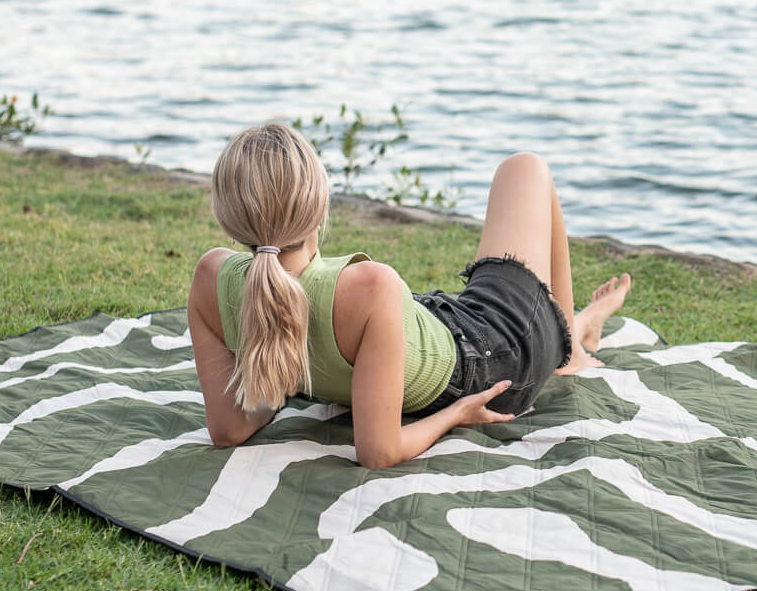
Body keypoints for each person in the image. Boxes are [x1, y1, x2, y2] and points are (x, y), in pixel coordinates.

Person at [188, 123, 632, 468]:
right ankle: (569, 347)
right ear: (320, 205)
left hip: (440, 332)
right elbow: (377, 453)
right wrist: (455, 416)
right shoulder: (368, 287)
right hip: (497, 359)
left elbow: (230, 429)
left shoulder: (211, 278)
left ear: (228, 220)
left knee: (509, 221)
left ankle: (572, 331)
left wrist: (278, 376)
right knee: (524, 168)